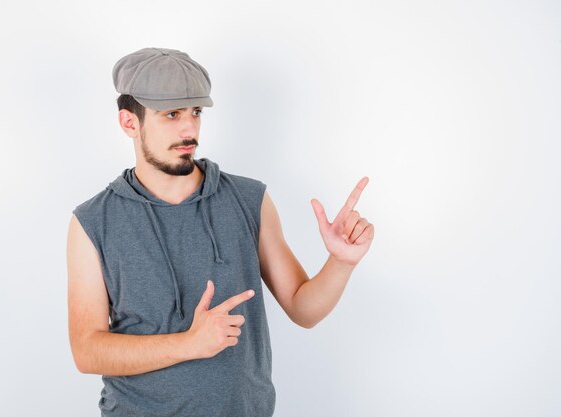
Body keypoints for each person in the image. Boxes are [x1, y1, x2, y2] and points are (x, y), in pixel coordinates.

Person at [66, 47, 375, 417]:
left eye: (196, 112)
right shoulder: (93, 221)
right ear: (130, 123)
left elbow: (303, 308)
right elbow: (87, 351)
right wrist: (190, 344)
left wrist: (340, 262)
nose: (189, 130)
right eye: (172, 115)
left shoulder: (248, 199)